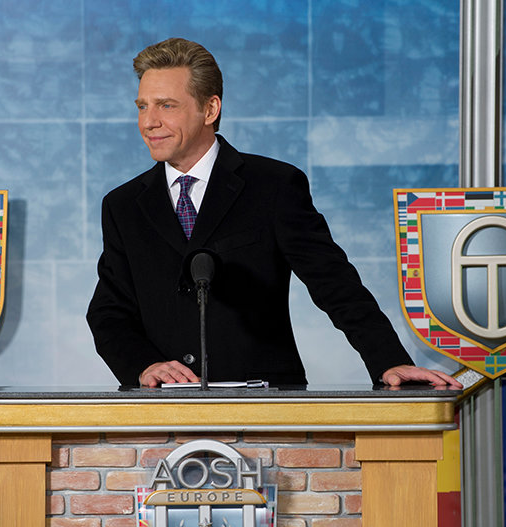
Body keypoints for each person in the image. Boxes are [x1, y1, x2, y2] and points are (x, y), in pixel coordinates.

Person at [87, 37, 461, 390]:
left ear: (210, 109)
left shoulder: (273, 186)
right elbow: (108, 313)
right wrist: (144, 365)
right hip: (161, 408)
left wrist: (388, 360)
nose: (149, 121)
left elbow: (335, 284)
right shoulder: (123, 205)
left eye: (166, 105)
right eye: (142, 106)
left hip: (266, 405)